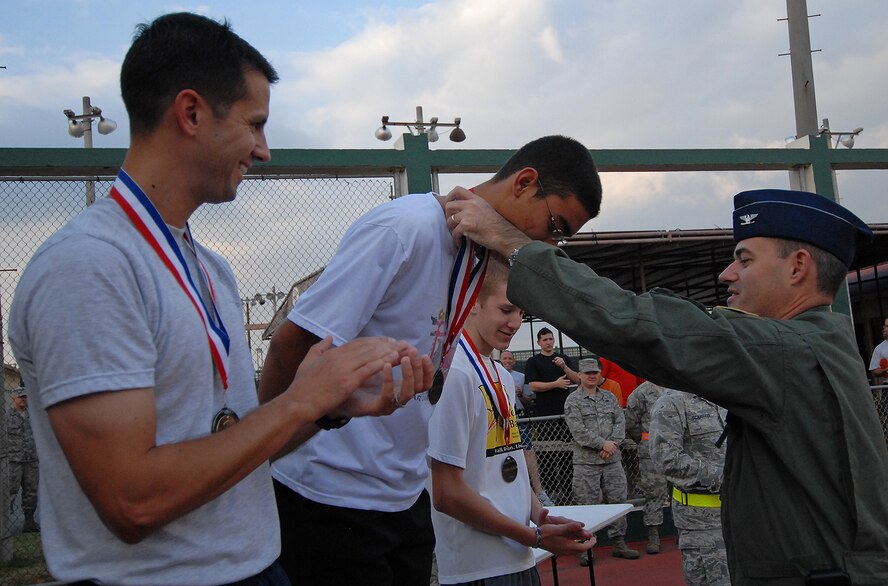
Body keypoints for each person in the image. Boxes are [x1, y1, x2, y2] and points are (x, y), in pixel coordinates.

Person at [8, 13, 430, 585]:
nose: (264, 151)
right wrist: (300, 403)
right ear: (190, 113)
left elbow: (232, 448)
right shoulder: (88, 266)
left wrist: (330, 405)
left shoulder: (211, 268)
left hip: (252, 567)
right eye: (255, 125)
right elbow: (133, 503)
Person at [446, 186, 888, 584]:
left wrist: (513, 244)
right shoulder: (817, 344)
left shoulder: (790, 351)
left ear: (798, 267)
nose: (726, 274)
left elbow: (637, 325)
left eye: (745, 259)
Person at [259, 135, 602, 585]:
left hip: (404, 494)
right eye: (555, 225)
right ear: (524, 182)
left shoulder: (480, 254)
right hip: (333, 492)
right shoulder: (406, 227)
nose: (547, 241)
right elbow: (291, 342)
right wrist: (261, 449)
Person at [429, 261, 593, 585]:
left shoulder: (501, 375)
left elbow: (510, 462)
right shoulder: (453, 373)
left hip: (518, 558)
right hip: (477, 569)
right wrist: (534, 537)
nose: (516, 322)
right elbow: (446, 492)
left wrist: (541, 516)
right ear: (472, 302)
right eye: (506, 309)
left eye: (520, 311)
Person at [650, 388, 730, 586]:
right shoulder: (672, 402)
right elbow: (665, 459)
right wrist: (725, 477)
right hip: (702, 526)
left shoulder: (728, 395)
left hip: (741, 517)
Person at [564, 358, 640, 562]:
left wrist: (612, 444)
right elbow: (578, 430)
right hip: (586, 462)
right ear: (579, 375)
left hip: (612, 460)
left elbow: (620, 421)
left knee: (618, 501)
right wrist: (602, 444)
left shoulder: (609, 397)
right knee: (586, 505)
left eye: (595, 373)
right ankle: (586, 548)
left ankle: (619, 542)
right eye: (587, 373)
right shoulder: (573, 401)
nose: (592, 376)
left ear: (599, 374)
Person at [523, 327, 578, 505]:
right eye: (545, 339)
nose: (549, 342)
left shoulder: (563, 359)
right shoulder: (533, 361)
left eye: (551, 339)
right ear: (538, 342)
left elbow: (576, 379)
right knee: (547, 453)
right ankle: (551, 490)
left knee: (567, 454)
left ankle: (568, 491)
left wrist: (564, 367)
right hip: (545, 414)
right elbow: (533, 386)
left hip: (566, 413)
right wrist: (555, 383)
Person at [500, 349, 554, 507]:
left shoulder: (521, 376)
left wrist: (520, 395)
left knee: (528, 452)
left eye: (510, 358)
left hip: (519, 416)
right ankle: (511, 494)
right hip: (501, 418)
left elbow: (529, 399)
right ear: (500, 360)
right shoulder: (494, 375)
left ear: (514, 360)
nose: (508, 361)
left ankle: (539, 492)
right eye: (505, 358)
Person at [624, 380, 668, 554]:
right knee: (654, 492)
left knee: (681, 491)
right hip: (651, 452)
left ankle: (683, 531)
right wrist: (644, 442)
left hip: (678, 449)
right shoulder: (640, 393)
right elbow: (631, 423)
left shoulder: (676, 387)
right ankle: (654, 536)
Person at [5, 387, 39, 533]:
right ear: (13, 398)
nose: (24, 399)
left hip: (31, 460)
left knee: (31, 492)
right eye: (21, 397)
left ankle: (29, 521)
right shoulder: (6, 417)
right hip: (14, 460)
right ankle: (4, 523)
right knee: (10, 491)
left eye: (26, 396)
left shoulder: (33, 416)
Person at [869, 318, 888, 386]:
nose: (886, 329)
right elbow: (874, 371)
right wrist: (886, 370)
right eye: (886, 326)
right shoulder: (879, 348)